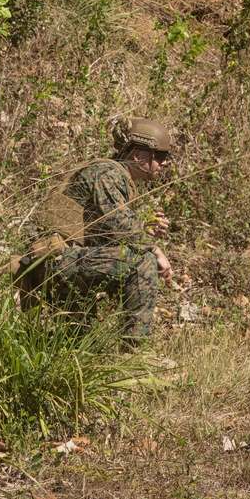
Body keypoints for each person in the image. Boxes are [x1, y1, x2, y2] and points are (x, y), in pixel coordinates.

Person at [23, 117, 173, 344]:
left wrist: (144, 228)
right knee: (142, 261)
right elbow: (123, 229)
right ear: (137, 155)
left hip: (67, 258)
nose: (165, 163)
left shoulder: (117, 178)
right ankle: (131, 351)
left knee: (79, 345)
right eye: (160, 156)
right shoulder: (107, 174)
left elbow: (110, 231)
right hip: (54, 261)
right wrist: (156, 251)